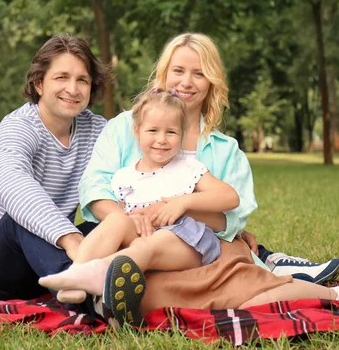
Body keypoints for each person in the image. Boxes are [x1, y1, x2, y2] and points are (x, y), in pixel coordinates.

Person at [43, 33, 339, 326]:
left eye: (198, 73)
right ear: (163, 74)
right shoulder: (125, 126)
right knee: (142, 283)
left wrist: (174, 209)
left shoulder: (224, 150)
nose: (186, 82)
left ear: (212, 81)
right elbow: (96, 188)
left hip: (204, 250)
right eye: (178, 71)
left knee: (252, 292)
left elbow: (229, 218)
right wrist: (130, 219)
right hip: (129, 243)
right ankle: (96, 285)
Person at [39, 89, 241, 325]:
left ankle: (100, 272)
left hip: (186, 241)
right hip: (142, 237)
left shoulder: (189, 168)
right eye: (153, 130)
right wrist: (128, 220)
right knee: (115, 220)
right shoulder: (125, 176)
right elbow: (123, 217)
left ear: (182, 134)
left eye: (171, 132)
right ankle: (76, 273)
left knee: (149, 243)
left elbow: (230, 197)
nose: (162, 139)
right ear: (137, 131)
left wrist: (184, 201)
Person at [0, 34, 109, 303]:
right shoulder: (17, 129)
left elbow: (137, 157)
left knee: (116, 222)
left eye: (82, 80)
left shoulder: (96, 130)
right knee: (19, 218)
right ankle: (90, 297)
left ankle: (131, 282)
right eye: (61, 78)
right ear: (38, 83)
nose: (72, 89)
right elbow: (17, 190)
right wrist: (71, 239)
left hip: (46, 257)